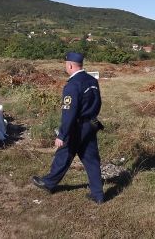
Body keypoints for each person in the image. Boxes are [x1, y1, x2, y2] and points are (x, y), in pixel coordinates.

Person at [32, 52, 104, 204]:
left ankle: (49, 182)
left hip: (77, 127)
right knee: (91, 159)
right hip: (91, 124)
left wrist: (62, 135)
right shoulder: (92, 80)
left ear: (70, 65)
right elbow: (98, 103)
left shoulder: (72, 85)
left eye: (66, 64)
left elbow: (69, 113)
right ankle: (98, 195)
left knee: (64, 154)